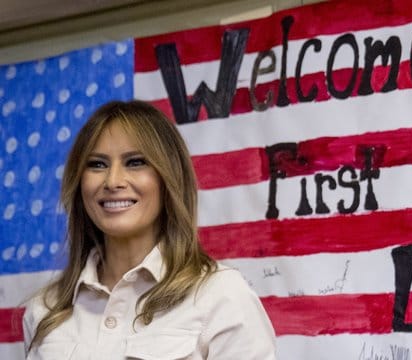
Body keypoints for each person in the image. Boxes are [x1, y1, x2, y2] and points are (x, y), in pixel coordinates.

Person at [22, 100, 276, 359]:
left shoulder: (222, 296)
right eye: (97, 164)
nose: (113, 181)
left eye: (135, 162)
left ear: (169, 178)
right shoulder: (44, 309)